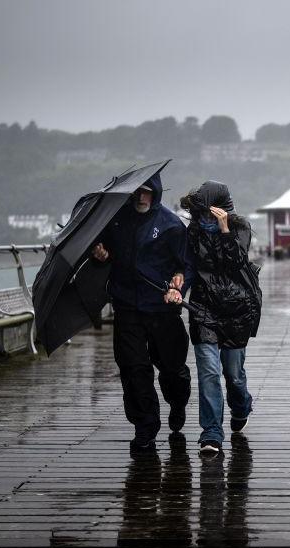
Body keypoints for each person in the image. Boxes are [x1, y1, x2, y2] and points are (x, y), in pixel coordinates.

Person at [92, 173, 193, 453]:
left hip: (162, 308)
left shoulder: (172, 225)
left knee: (172, 369)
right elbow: (105, 256)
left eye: (147, 192)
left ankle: (178, 402)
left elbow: (185, 265)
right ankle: (145, 427)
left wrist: (179, 285)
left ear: (156, 193)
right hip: (126, 306)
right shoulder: (114, 222)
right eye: (136, 192)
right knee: (133, 368)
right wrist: (100, 256)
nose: (140, 197)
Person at [180, 181, 262, 455]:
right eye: (200, 213)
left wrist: (225, 230)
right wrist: (177, 286)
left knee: (233, 375)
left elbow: (236, 262)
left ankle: (241, 406)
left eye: (208, 212)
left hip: (237, 310)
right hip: (204, 309)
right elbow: (189, 267)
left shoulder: (240, 227)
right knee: (209, 372)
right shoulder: (193, 232)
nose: (204, 218)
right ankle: (211, 433)